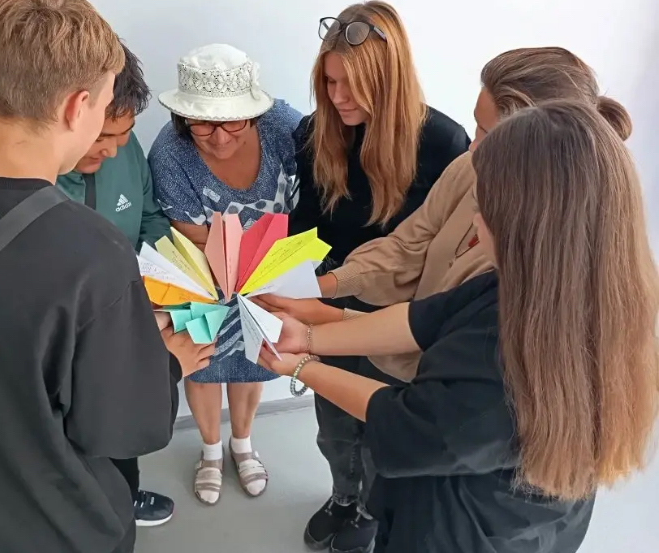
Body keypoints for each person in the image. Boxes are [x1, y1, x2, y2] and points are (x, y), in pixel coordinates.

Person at [0, 0, 212, 553]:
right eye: (104, 104)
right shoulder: (90, 252)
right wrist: (165, 364)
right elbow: (123, 429)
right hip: (49, 522)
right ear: (77, 107)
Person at [260, 99, 659, 553]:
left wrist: (301, 365)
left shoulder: (501, 359)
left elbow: (406, 424)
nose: (475, 218)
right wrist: (310, 334)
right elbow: (419, 319)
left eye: (484, 204)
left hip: (464, 531)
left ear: (527, 222)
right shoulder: (545, 284)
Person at [264, 47, 633, 382]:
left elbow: (433, 351)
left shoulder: (537, 260)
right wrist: (319, 298)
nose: (472, 147)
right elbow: (411, 261)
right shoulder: (469, 169)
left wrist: (312, 342)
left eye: (488, 134)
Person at [0, 41, 176, 526]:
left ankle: (123, 498)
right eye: (103, 134)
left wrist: (161, 285)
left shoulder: (124, 150)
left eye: (124, 134)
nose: (111, 148)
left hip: (119, 330)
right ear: (75, 112)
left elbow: (151, 219)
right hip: (43, 360)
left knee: (117, 443)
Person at [279, 1, 470, 553]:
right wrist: (285, 282)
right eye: (329, 82)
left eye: (352, 85)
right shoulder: (317, 131)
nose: (338, 97)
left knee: (383, 423)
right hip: (329, 296)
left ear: (389, 81)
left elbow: (427, 245)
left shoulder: (444, 142)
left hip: (403, 313)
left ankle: (371, 508)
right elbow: (305, 226)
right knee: (334, 424)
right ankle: (344, 496)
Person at [147, 43, 302, 505]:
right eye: (201, 124)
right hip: (201, 272)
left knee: (254, 357)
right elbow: (192, 235)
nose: (218, 137)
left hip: (271, 272)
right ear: (182, 118)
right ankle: (210, 451)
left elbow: (318, 185)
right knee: (202, 361)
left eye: (233, 122)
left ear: (254, 114)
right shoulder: (169, 153)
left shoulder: (283, 125)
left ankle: (243, 443)